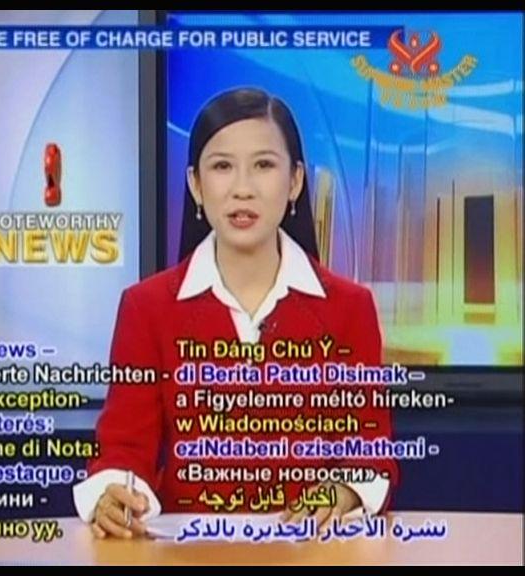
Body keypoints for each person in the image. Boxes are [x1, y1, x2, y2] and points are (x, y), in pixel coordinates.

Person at [73, 87, 397, 539]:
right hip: (186, 551)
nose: (243, 188)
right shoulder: (146, 308)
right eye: (222, 166)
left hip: (310, 550)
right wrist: (114, 495)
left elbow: (369, 449)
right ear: (195, 184)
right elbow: (124, 449)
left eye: (263, 165)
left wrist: (342, 491)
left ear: (295, 181)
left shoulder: (349, 308)